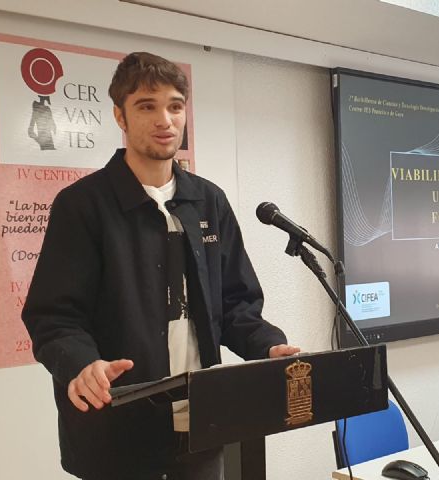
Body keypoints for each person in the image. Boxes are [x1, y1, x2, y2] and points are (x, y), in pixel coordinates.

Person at [22, 51, 300, 480]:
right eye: (146, 106)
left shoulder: (208, 201)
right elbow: (53, 316)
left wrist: (268, 346)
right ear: (120, 115)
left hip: (202, 424)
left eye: (175, 106)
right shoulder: (83, 206)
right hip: (115, 429)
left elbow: (235, 303)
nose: (164, 120)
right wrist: (81, 364)